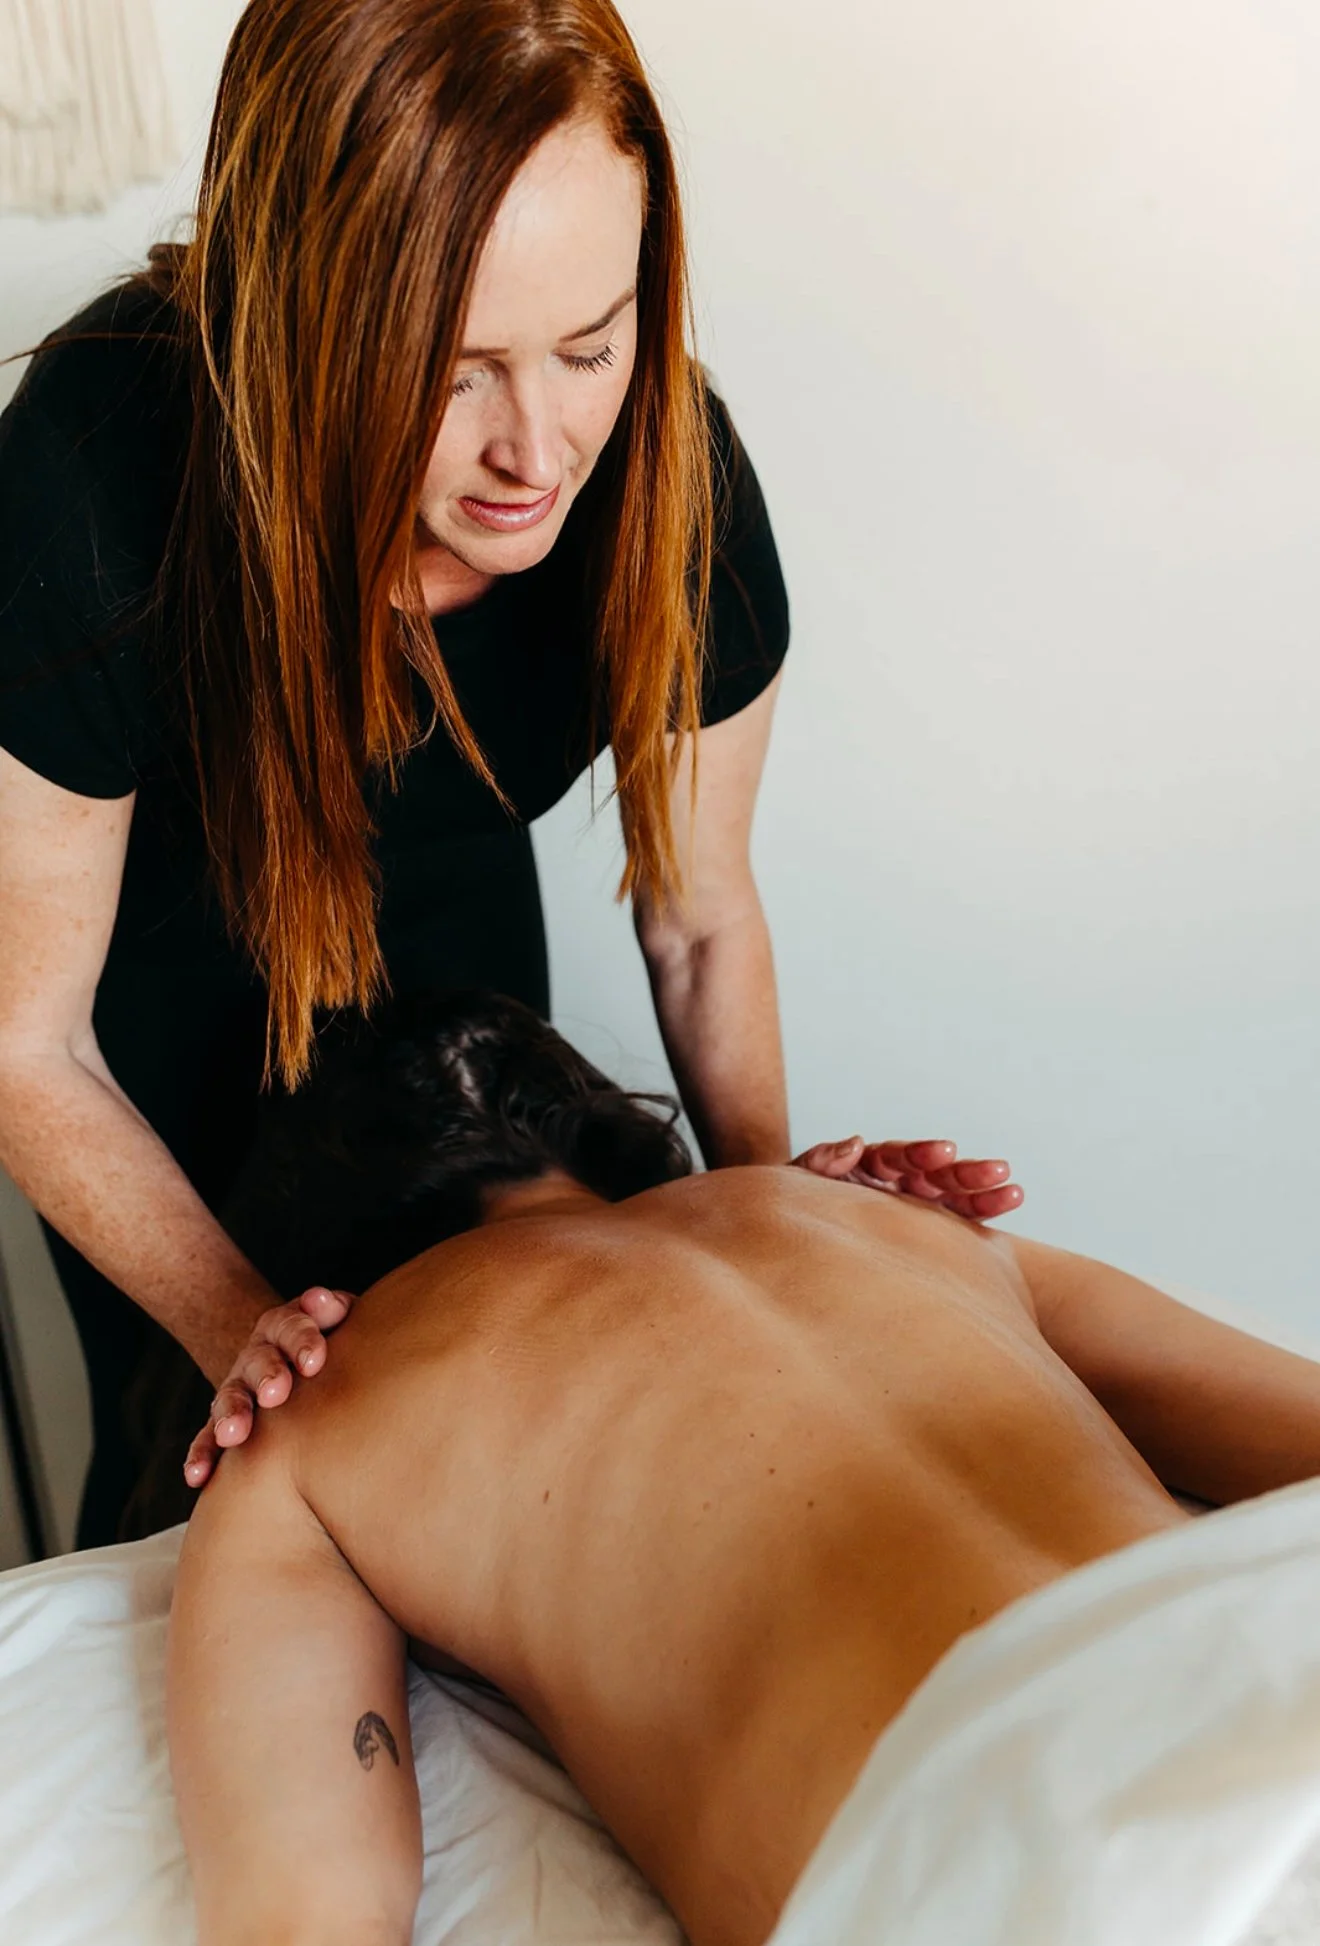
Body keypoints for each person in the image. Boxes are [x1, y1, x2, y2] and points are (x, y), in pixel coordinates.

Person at [0, 0, 1023, 1550]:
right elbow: (27, 1046)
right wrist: (245, 1335)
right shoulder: (92, 483)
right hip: (154, 1087)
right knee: (206, 1521)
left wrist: (779, 1224)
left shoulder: (665, 477)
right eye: (452, 368)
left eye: (589, 346)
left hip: (472, 1042)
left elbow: (697, 921)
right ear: (297, 317)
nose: (535, 452)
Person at [167, 989, 1320, 1946]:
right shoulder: (885, 1219)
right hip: (1274, 1665)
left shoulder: (305, 1409)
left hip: (1011, 1854)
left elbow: (305, 1919)